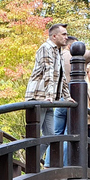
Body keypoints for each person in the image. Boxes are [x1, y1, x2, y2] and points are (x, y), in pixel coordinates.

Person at [24, 23, 69, 163]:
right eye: (64, 34)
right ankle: (31, 165)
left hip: (48, 99)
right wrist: (50, 96)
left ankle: (32, 163)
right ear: (54, 36)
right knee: (35, 134)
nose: (66, 37)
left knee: (50, 136)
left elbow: (61, 76)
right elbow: (48, 72)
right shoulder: (46, 48)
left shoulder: (58, 51)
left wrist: (67, 96)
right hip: (38, 97)